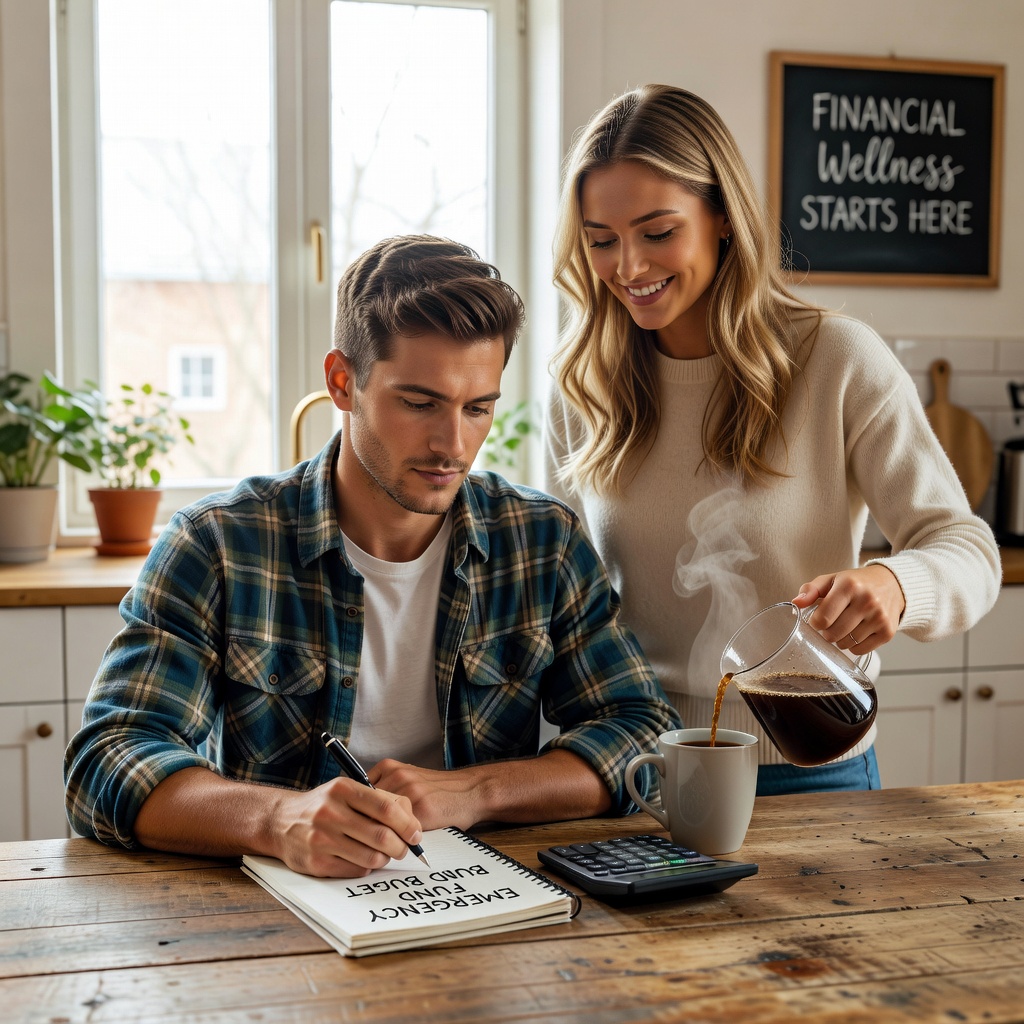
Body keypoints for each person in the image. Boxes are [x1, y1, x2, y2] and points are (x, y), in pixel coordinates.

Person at [65, 234, 679, 876]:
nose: (453, 444)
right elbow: (108, 757)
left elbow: (640, 731)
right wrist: (278, 821)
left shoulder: (541, 542)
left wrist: (477, 792)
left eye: (478, 408)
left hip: (486, 911)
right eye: (419, 403)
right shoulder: (218, 544)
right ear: (342, 381)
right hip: (272, 922)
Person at [543, 85, 1001, 796]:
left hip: (812, 765)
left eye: (657, 232)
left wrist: (896, 585)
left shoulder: (836, 359)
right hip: (641, 770)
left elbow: (968, 551)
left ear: (722, 215)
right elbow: (567, 599)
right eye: (601, 241)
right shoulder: (583, 385)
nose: (628, 267)